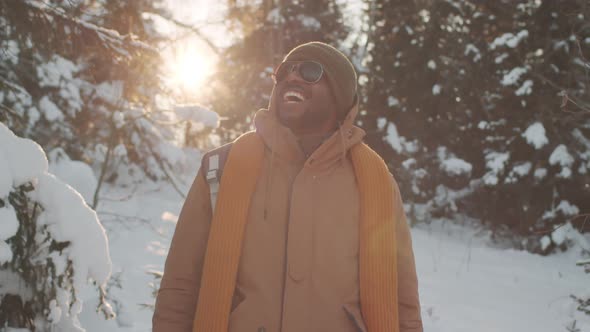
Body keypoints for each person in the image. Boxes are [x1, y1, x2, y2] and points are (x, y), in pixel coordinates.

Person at [153, 41, 423, 332]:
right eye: (284, 72)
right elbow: (180, 287)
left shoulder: (376, 183)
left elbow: (402, 302)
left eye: (309, 71)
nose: (292, 77)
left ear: (340, 94)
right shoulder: (221, 167)